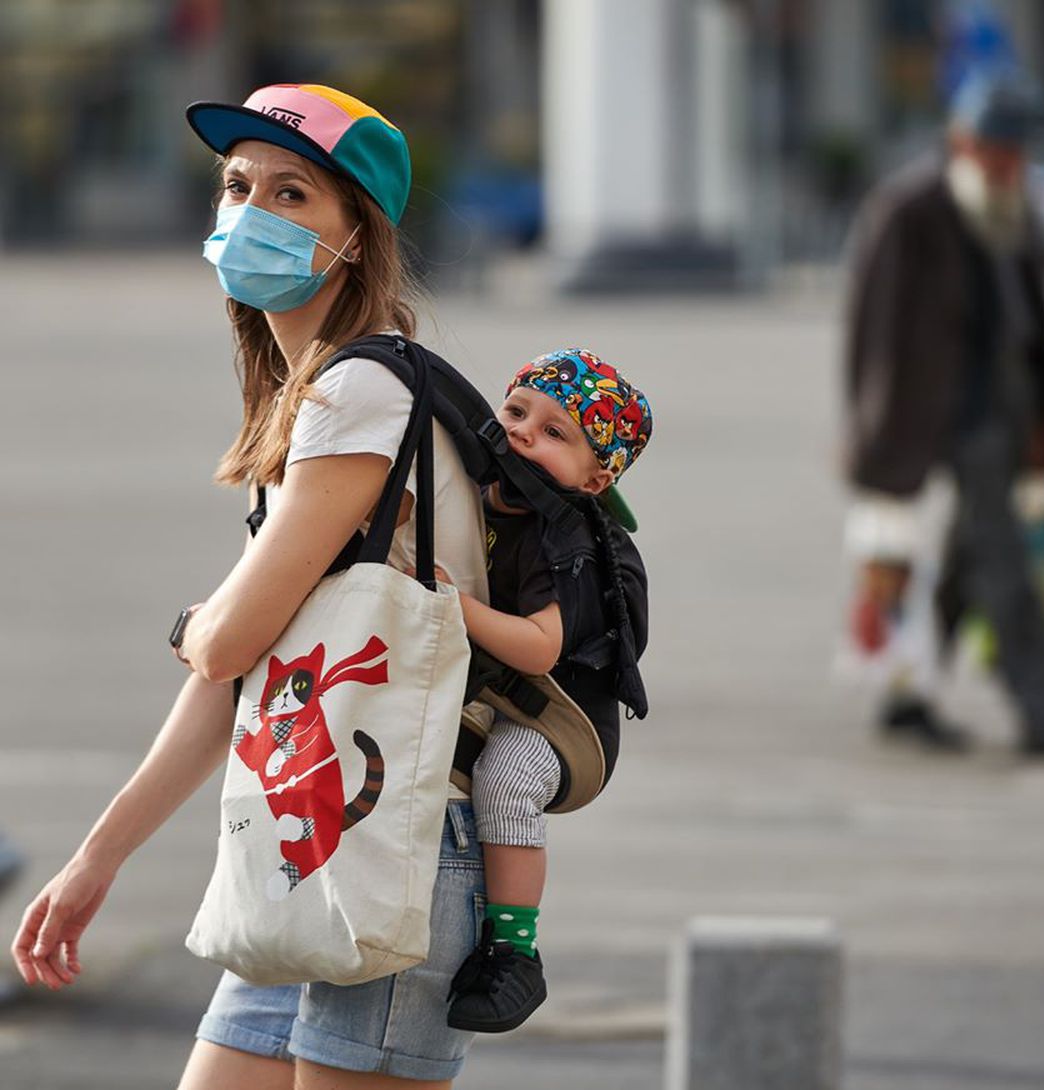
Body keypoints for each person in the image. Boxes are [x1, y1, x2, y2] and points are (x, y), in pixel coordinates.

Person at [11, 83, 492, 1089]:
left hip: (391, 848)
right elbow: (234, 676)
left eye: (293, 195)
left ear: (354, 237)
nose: (250, 214)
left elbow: (227, 645)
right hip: (300, 845)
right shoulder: (308, 398)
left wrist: (197, 620)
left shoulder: (362, 390)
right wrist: (98, 859)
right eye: (238, 187)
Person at [842, 72, 1044, 757]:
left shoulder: (1018, 209)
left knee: (960, 568)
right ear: (961, 142)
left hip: (1000, 416)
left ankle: (905, 693)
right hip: (927, 418)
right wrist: (869, 436)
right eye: (993, 147)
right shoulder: (909, 210)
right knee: (991, 567)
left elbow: (1035, 328)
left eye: (1015, 149)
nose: (1005, 161)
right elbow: (874, 334)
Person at [434, 349, 651, 1034]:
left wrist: (452, 605)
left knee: (503, 776)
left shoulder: (572, 539)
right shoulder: (470, 490)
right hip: (495, 693)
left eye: (557, 433)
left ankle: (513, 950)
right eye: (517, 410)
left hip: (565, 727)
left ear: (597, 477)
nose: (525, 433)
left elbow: (540, 645)